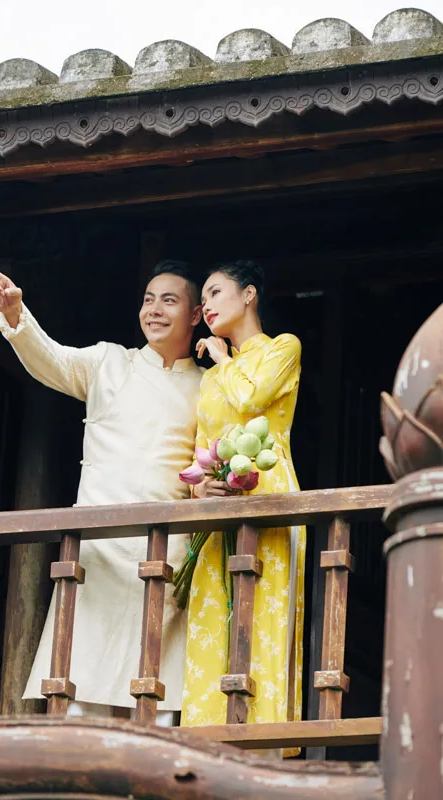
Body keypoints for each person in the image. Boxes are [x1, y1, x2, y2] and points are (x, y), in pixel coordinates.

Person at [0, 258, 203, 724]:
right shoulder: (109, 361)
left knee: (156, 697)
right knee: (82, 693)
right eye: (148, 300)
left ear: (197, 314)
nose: (154, 310)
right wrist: (16, 316)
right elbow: (54, 359)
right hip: (99, 549)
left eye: (169, 300)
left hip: (166, 550)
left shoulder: (208, 386)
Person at [181, 260, 305, 749]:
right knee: (215, 623)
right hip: (220, 509)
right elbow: (201, 449)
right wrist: (200, 489)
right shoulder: (211, 379)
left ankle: (265, 748)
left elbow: (252, 398)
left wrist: (220, 356)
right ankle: (209, 746)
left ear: (248, 294)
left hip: (270, 497)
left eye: (214, 292)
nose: (205, 304)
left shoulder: (283, 347)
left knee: (265, 624)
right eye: (204, 298)